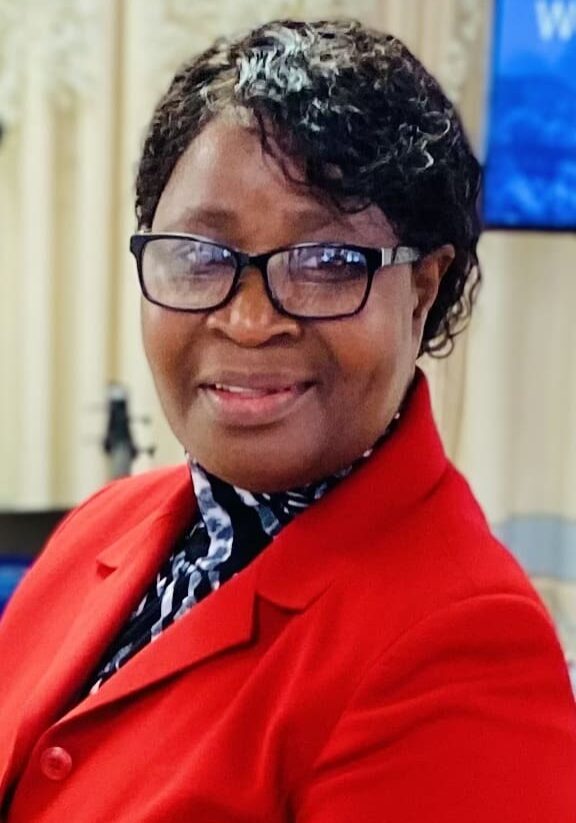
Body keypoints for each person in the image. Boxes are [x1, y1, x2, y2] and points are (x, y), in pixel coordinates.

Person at [1, 18, 575, 823]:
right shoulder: (104, 526)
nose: (247, 319)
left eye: (327, 263)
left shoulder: (467, 649)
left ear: (422, 289)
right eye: (202, 254)